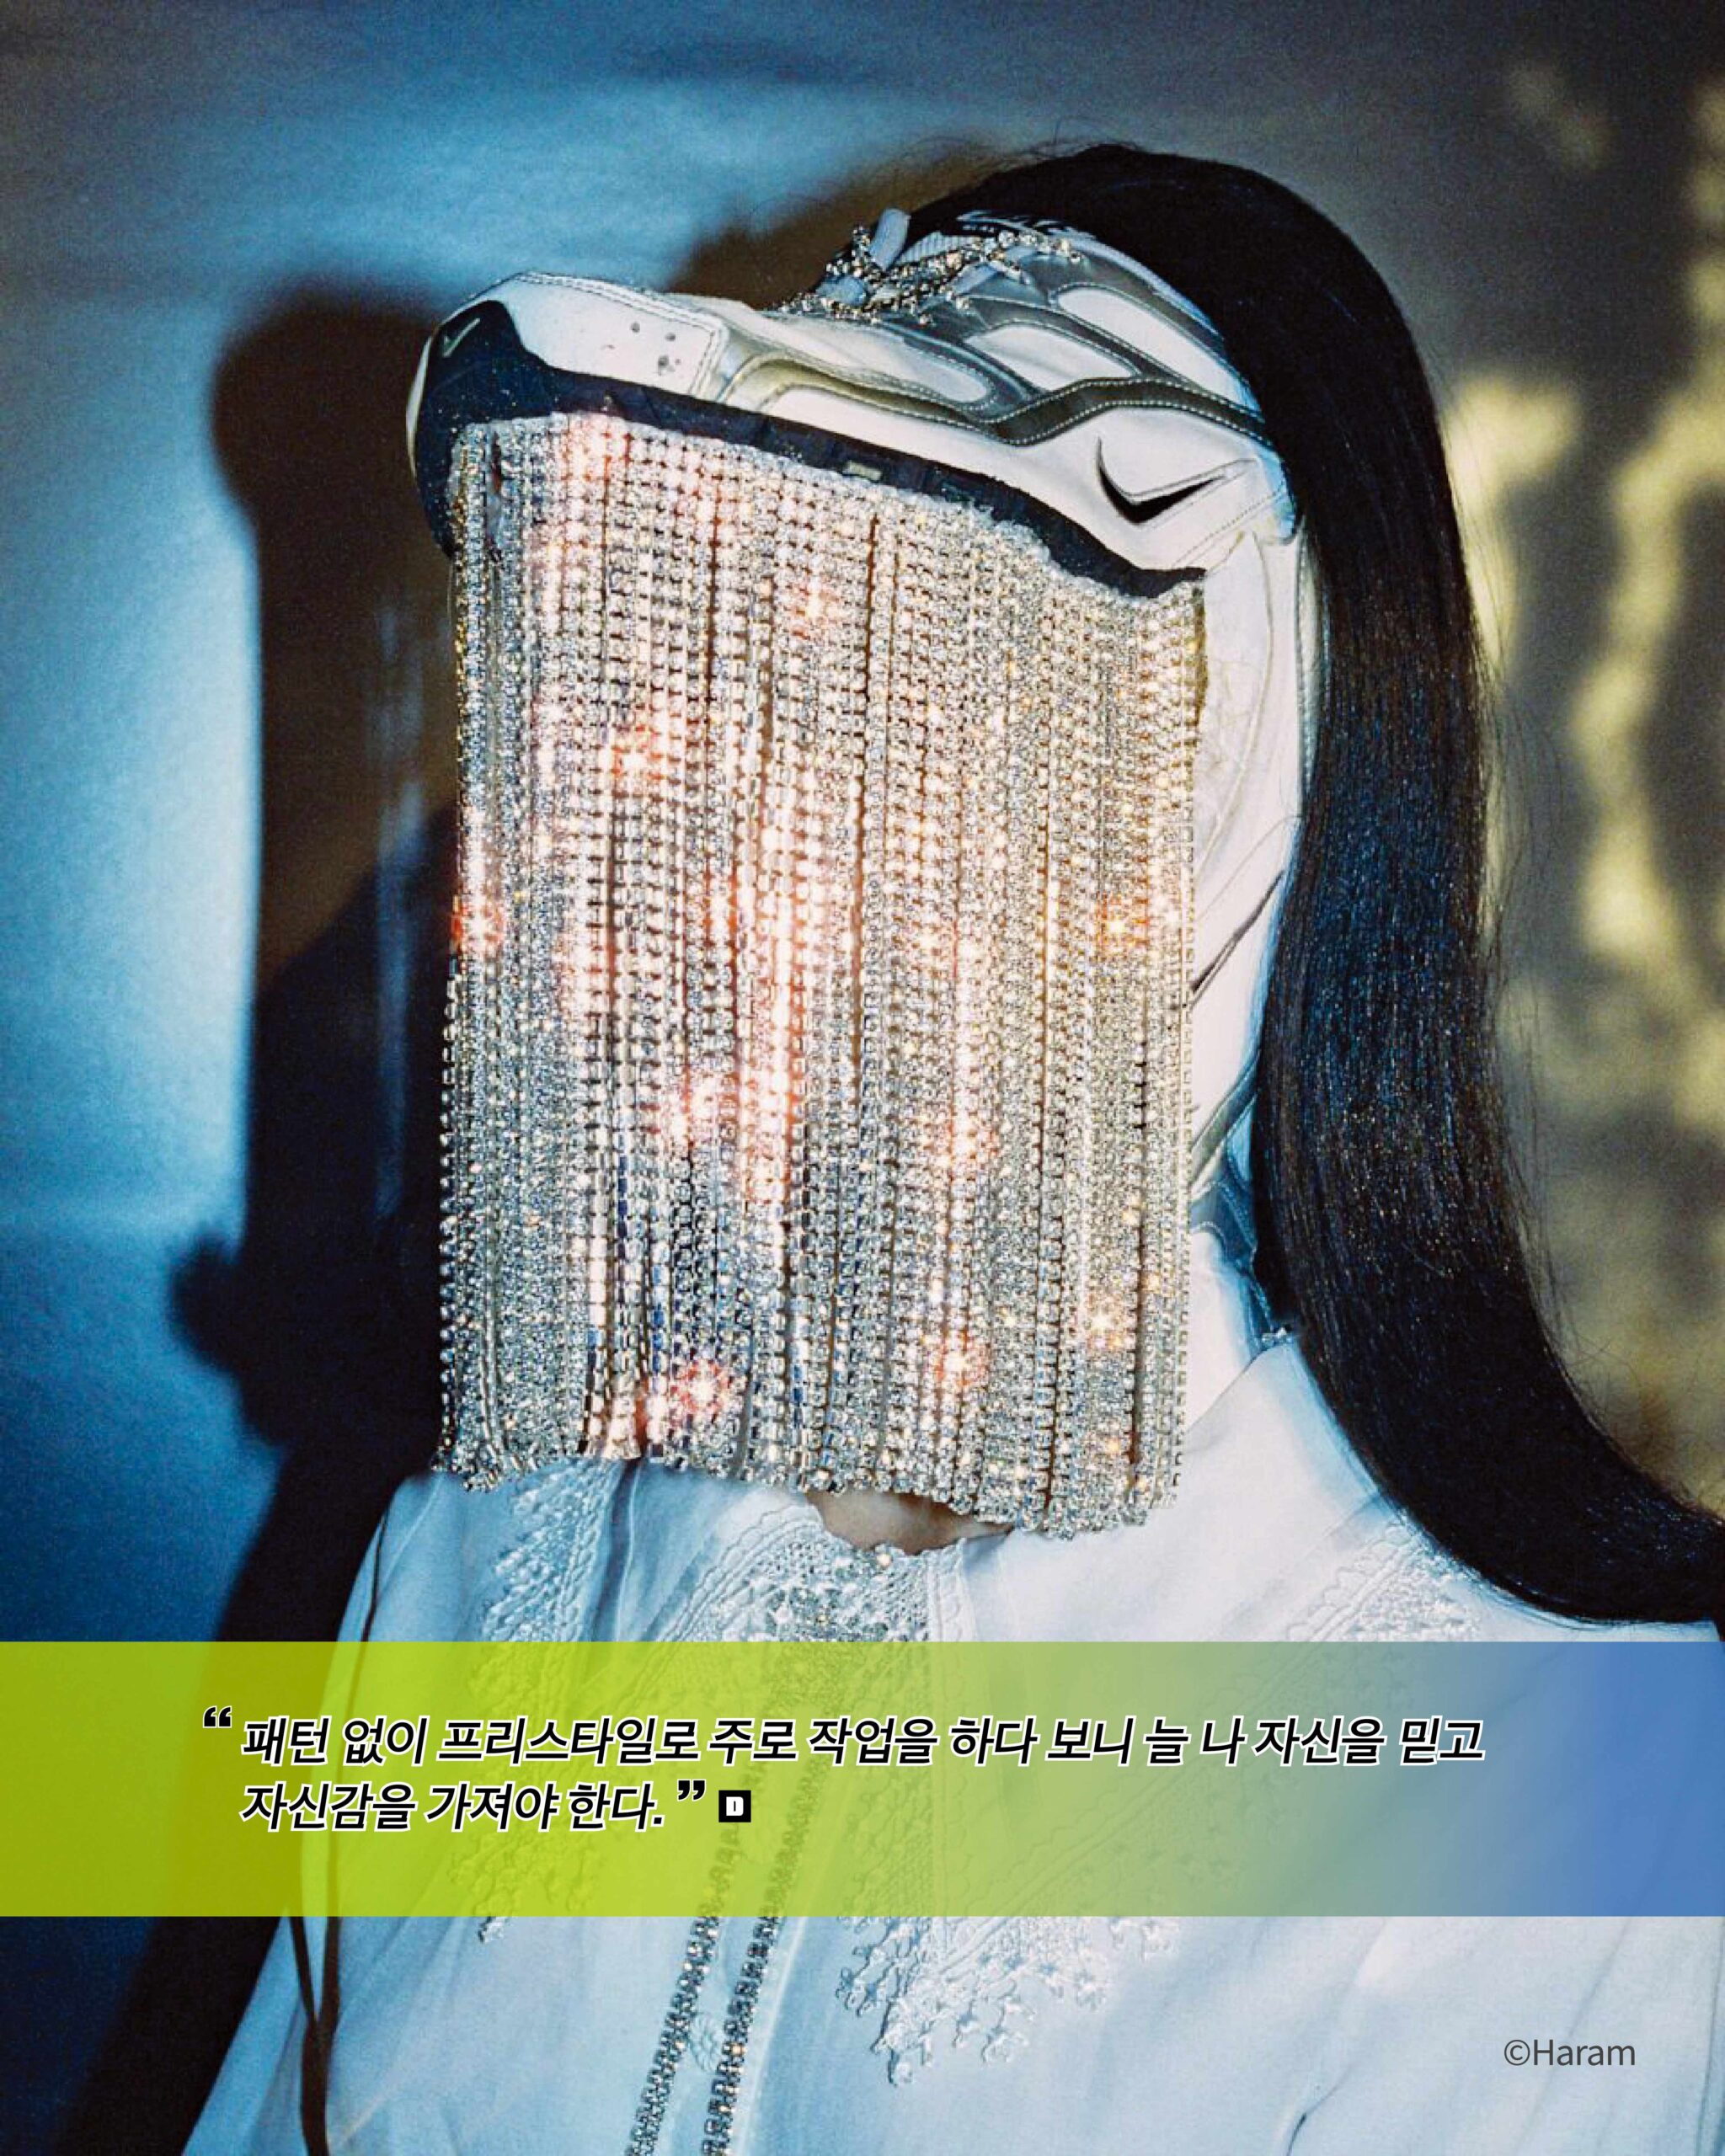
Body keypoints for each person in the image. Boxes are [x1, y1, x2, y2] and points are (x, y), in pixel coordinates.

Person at [188, 145, 1725, 2154]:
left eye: (923, 703)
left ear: (1232, 777)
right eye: (736, 705)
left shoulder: (1556, 1763)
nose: (777, 834)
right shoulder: (482, 1550)